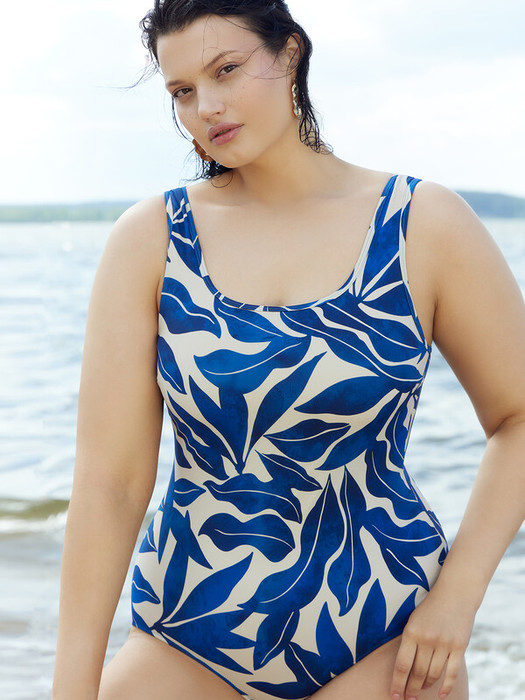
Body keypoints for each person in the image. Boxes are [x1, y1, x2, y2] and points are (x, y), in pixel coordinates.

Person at [52, 1, 525, 699]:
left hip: (385, 635)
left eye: (227, 70)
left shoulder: (421, 224)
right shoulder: (152, 239)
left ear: (291, 53)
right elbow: (109, 483)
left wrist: (456, 601)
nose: (206, 107)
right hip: (190, 635)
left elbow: (518, 418)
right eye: (182, 91)